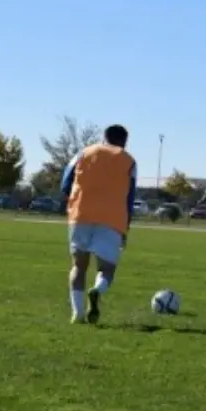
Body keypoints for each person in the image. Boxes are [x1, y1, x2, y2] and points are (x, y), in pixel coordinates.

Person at [61, 124, 137, 325]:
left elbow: (65, 183)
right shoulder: (129, 161)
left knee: (79, 266)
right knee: (106, 270)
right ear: (124, 141)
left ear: (104, 137)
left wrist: (77, 200)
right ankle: (96, 290)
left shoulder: (83, 153)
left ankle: (77, 314)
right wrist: (126, 227)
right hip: (112, 219)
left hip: (80, 215)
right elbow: (130, 198)